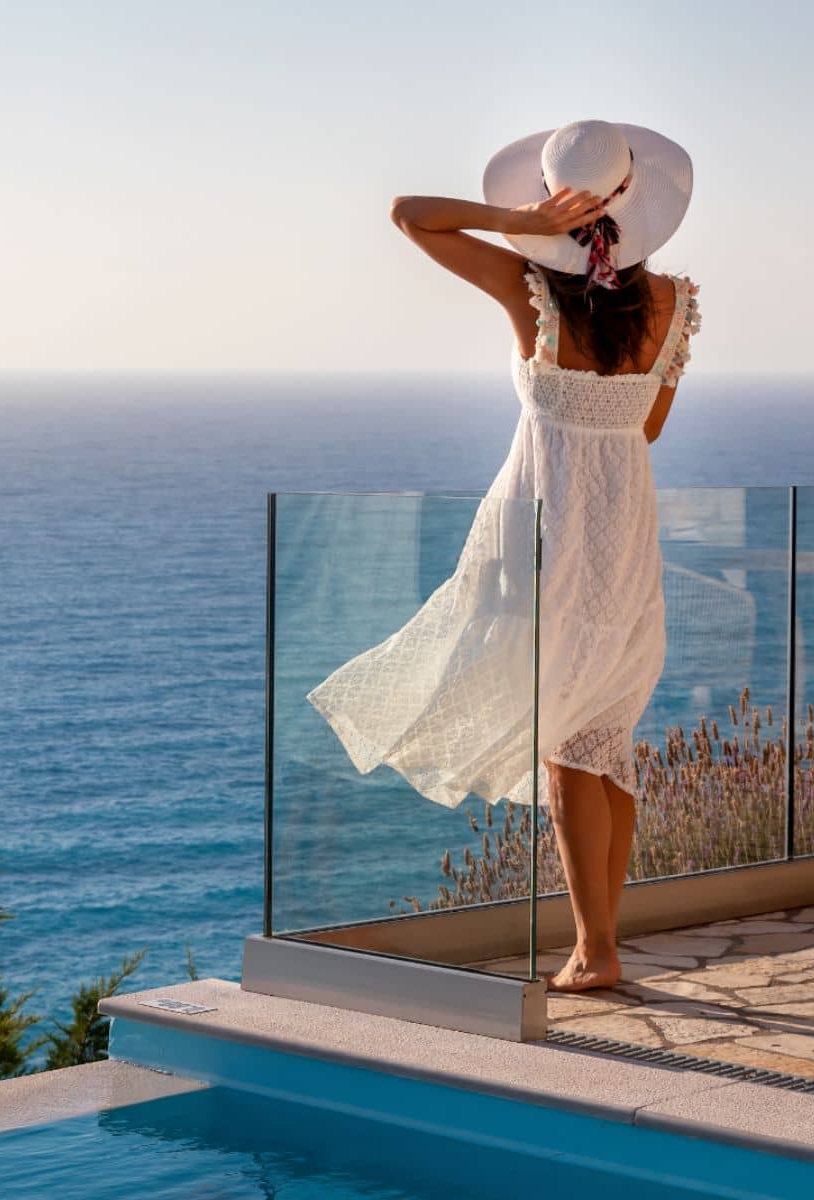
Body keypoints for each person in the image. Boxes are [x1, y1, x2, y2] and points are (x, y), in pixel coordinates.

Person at [307, 120, 700, 992]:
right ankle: (600, 943)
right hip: (625, 541)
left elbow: (410, 214)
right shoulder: (676, 303)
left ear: (554, 204)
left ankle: (595, 951)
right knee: (602, 737)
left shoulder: (529, 291)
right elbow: (649, 428)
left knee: (567, 741)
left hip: (543, 536)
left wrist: (518, 223)